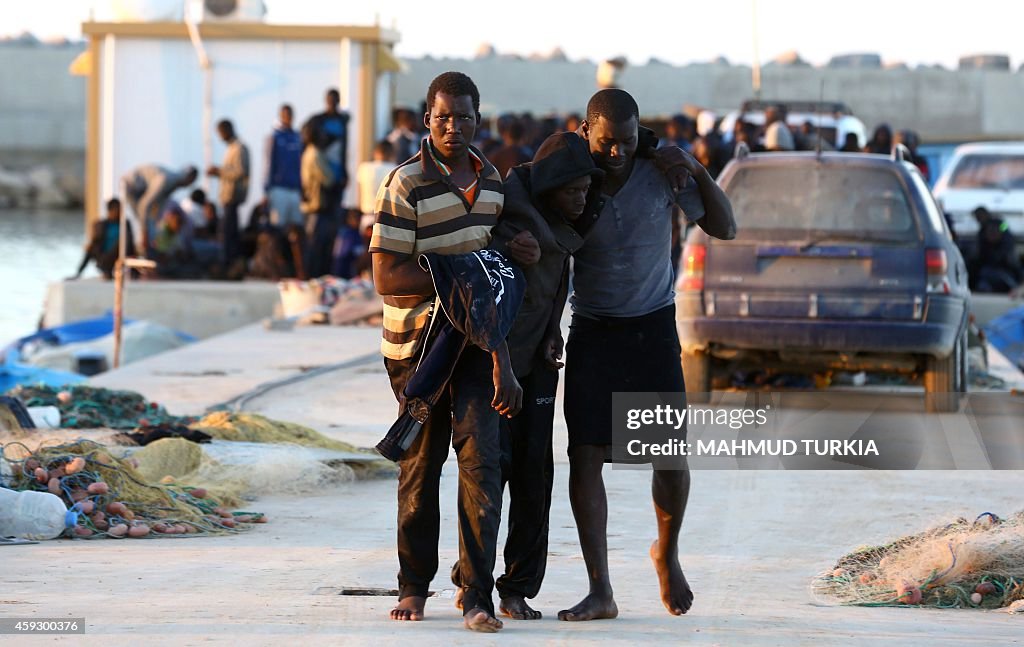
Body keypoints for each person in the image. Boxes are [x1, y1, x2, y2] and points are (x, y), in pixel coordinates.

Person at [369, 71, 538, 633]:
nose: (453, 127)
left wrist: (512, 249)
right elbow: (386, 275)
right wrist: (457, 277)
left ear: (477, 120)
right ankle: (414, 585)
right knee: (421, 465)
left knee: (483, 466)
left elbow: (487, 263)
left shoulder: (492, 182)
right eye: (443, 117)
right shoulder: (405, 182)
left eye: (464, 117)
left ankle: (475, 594)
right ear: (427, 119)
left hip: (474, 348)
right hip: (417, 349)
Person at [560, 88, 736, 621]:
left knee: (669, 457)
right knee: (585, 456)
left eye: (627, 142)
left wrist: (697, 170)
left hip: (652, 327)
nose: (616, 153)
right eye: (606, 142)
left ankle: (667, 552)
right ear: (586, 131)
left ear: (640, 136)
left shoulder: (662, 172)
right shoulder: (569, 174)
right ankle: (601, 589)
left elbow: (725, 227)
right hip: (592, 328)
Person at [451, 131, 605, 621]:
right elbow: (467, 251)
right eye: (572, 191)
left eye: (586, 190)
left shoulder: (563, 220)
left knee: (534, 477)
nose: (581, 199)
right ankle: (471, 584)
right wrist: (504, 244)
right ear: (549, 186)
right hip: (488, 361)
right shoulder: (503, 199)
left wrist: (552, 330)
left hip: (537, 362)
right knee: (485, 474)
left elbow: (557, 273)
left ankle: (515, 587)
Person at [120, 164, 197, 252]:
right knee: (142, 223)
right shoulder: (166, 180)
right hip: (130, 186)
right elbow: (144, 206)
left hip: (139, 192)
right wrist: (144, 232)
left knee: (149, 225)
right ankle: (139, 249)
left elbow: (156, 210)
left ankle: (145, 248)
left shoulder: (171, 186)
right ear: (189, 178)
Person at [207, 118, 250, 268]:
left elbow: (240, 172)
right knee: (227, 232)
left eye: (221, 132)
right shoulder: (231, 148)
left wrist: (219, 171)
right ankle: (230, 263)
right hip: (227, 197)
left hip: (233, 197)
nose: (220, 136)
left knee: (229, 233)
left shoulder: (239, 148)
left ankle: (230, 263)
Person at [300, 121, 336, 278]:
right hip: (316, 207)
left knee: (315, 246)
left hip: (313, 207)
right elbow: (329, 179)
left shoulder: (310, 152)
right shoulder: (315, 154)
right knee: (316, 248)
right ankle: (313, 279)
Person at [71, 198, 136, 280]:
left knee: (122, 240)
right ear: (110, 210)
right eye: (117, 210)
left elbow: (129, 243)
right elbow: (96, 241)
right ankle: (79, 273)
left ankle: (112, 272)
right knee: (91, 248)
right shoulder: (101, 224)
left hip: (118, 255)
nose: (120, 212)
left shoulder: (125, 224)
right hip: (103, 256)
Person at [310, 88, 350, 212]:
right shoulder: (318, 120)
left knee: (336, 211)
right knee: (321, 210)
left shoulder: (342, 121)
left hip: (338, 174)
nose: (332, 103)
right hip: (323, 174)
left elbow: (344, 149)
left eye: (334, 100)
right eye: (330, 100)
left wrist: (345, 171)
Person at [264, 104, 304, 228]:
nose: (288, 117)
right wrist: (267, 190)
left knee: (296, 226)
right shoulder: (274, 137)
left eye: (290, 115)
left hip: (295, 189)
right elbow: (268, 164)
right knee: (278, 226)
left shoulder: (298, 137)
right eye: (285, 115)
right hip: (279, 188)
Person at [970, 206, 1021, 292]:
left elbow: (1005, 228)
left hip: (1004, 259)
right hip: (988, 260)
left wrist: (1000, 230)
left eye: (979, 216)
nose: (978, 219)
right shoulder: (982, 229)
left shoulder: (998, 223)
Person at [356, 140, 397, 222]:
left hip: (366, 217)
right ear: (391, 154)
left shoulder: (364, 168)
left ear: (375, 152)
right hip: (386, 218)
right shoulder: (394, 169)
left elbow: (358, 196)